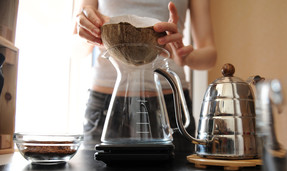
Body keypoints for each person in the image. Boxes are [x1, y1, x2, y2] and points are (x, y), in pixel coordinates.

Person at [73, 0, 217, 153]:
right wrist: (88, 31)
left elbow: (210, 54)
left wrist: (185, 56)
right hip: (106, 106)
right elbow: (75, 49)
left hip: (169, 107)